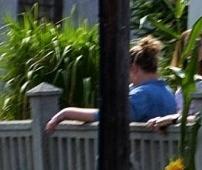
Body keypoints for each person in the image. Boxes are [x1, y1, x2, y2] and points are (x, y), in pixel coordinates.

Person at [45, 36, 173, 131]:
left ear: (134, 68)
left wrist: (65, 113)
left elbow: (109, 116)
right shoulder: (168, 92)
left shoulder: (141, 94)